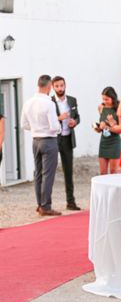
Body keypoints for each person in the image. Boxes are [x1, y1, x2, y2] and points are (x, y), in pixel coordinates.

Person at [20, 74, 62, 216]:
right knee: (48, 174)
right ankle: (46, 206)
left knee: (38, 173)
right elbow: (54, 126)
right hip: (49, 140)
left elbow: (23, 124)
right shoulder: (49, 103)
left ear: (38, 85)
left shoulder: (28, 102)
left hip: (35, 140)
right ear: (49, 87)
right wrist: (60, 127)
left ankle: (39, 204)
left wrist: (35, 128)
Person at [51, 76, 81, 210]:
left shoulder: (72, 100)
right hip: (54, 139)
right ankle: (47, 204)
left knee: (68, 171)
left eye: (61, 85)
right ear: (53, 87)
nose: (60, 88)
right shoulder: (50, 102)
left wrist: (74, 122)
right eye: (57, 86)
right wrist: (59, 118)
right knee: (50, 171)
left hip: (68, 138)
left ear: (65, 85)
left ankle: (71, 202)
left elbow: (77, 116)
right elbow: (47, 120)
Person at [93, 86, 121, 175]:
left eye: (107, 99)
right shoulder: (101, 107)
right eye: (103, 99)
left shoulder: (118, 109)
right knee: (102, 172)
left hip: (114, 143)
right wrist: (98, 127)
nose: (104, 101)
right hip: (103, 142)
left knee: (113, 172)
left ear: (113, 98)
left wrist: (108, 127)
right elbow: (100, 129)